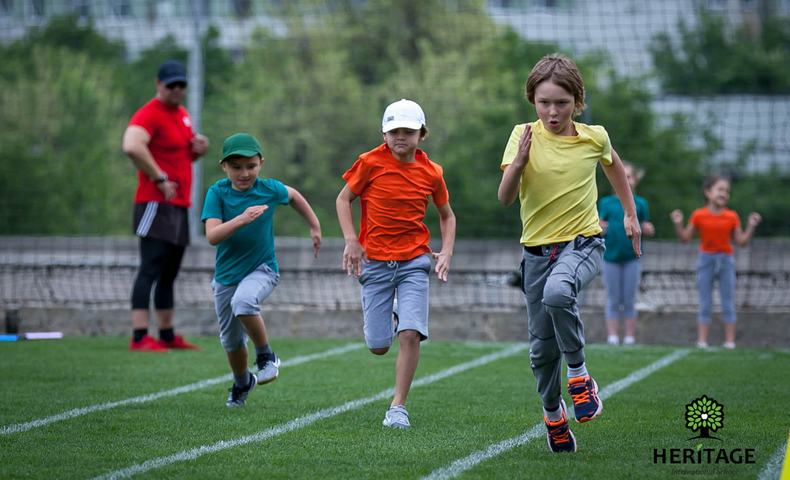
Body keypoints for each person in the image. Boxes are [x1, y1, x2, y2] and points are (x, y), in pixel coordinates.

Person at [497, 53, 641, 453]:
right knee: (541, 351)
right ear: (533, 100)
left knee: (560, 293)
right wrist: (520, 162)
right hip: (536, 255)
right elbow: (505, 198)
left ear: (577, 101)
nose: (552, 111)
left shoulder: (594, 137)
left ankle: (579, 375)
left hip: (584, 243)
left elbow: (615, 171)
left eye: (561, 102)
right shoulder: (522, 134)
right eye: (544, 102)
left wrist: (629, 213)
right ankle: (554, 417)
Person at [336, 99, 456, 429]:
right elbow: (343, 199)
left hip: (415, 261)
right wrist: (351, 240)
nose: (400, 136)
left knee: (410, 334)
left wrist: (445, 251)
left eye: (408, 131)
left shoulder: (432, 172)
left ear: (422, 134)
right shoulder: (369, 163)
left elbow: (447, 216)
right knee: (378, 346)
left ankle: (398, 407)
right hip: (374, 263)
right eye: (394, 131)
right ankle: (391, 315)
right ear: (384, 134)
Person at [202, 133, 322, 407]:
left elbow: (293, 196)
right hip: (226, 277)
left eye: (251, 166)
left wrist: (314, 226)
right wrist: (242, 219)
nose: (244, 173)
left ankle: (266, 355)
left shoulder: (269, 189)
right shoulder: (217, 193)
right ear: (224, 166)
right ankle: (243, 382)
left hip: (262, 269)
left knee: (243, 302)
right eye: (236, 167)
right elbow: (212, 236)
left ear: (260, 163)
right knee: (231, 342)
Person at [122, 59, 209, 352]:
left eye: (181, 84)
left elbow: (180, 157)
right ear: (158, 84)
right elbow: (132, 145)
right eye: (171, 84)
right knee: (150, 268)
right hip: (154, 202)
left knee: (169, 272)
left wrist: (197, 151)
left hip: (178, 204)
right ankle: (139, 336)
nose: (177, 89)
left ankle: (168, 335)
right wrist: (159, 177)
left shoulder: (182, 114)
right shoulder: (149, 114)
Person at [670, 174, 760, 349]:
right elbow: (685, 238)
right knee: (705, 302)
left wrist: (751, 225)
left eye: (726, 191)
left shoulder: (732, 216)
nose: (724, 193)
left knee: (728, 301)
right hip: (706, 260)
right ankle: (702, 341)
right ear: (708, 192)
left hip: (726, 260)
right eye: (720, 189)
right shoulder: (698, 215)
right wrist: (678, 223)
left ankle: (730, 342)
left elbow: (741, 241)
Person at [598, 161, 655, 346]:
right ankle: (613, 337)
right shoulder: (606, 203)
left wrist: (648, 229)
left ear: (635, 180)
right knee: (613, 299)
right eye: (620, 175)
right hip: (610, 258)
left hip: (633, 257)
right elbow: (598, 226)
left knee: (629, 299)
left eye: (628, 176)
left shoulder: (640, 203)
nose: (624, 180)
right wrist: (599, 228)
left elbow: (645, 226)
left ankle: (630, 337)